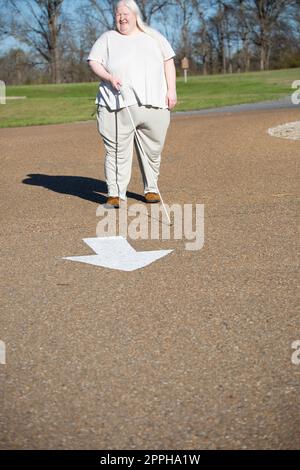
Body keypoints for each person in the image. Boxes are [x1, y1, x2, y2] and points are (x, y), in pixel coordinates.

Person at [87, 0, 177, 208]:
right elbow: (93, 61)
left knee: (153, 150)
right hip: (116, 106)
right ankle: (115, 194)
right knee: (117, 150)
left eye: (126, 13)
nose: (122, 17)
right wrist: (109, 77)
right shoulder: (107, 38)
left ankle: (151, 188)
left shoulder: (154, 36)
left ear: (135, 15)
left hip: (154, 103)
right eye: (118, 14)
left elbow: (168, 61)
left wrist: (171, 90)